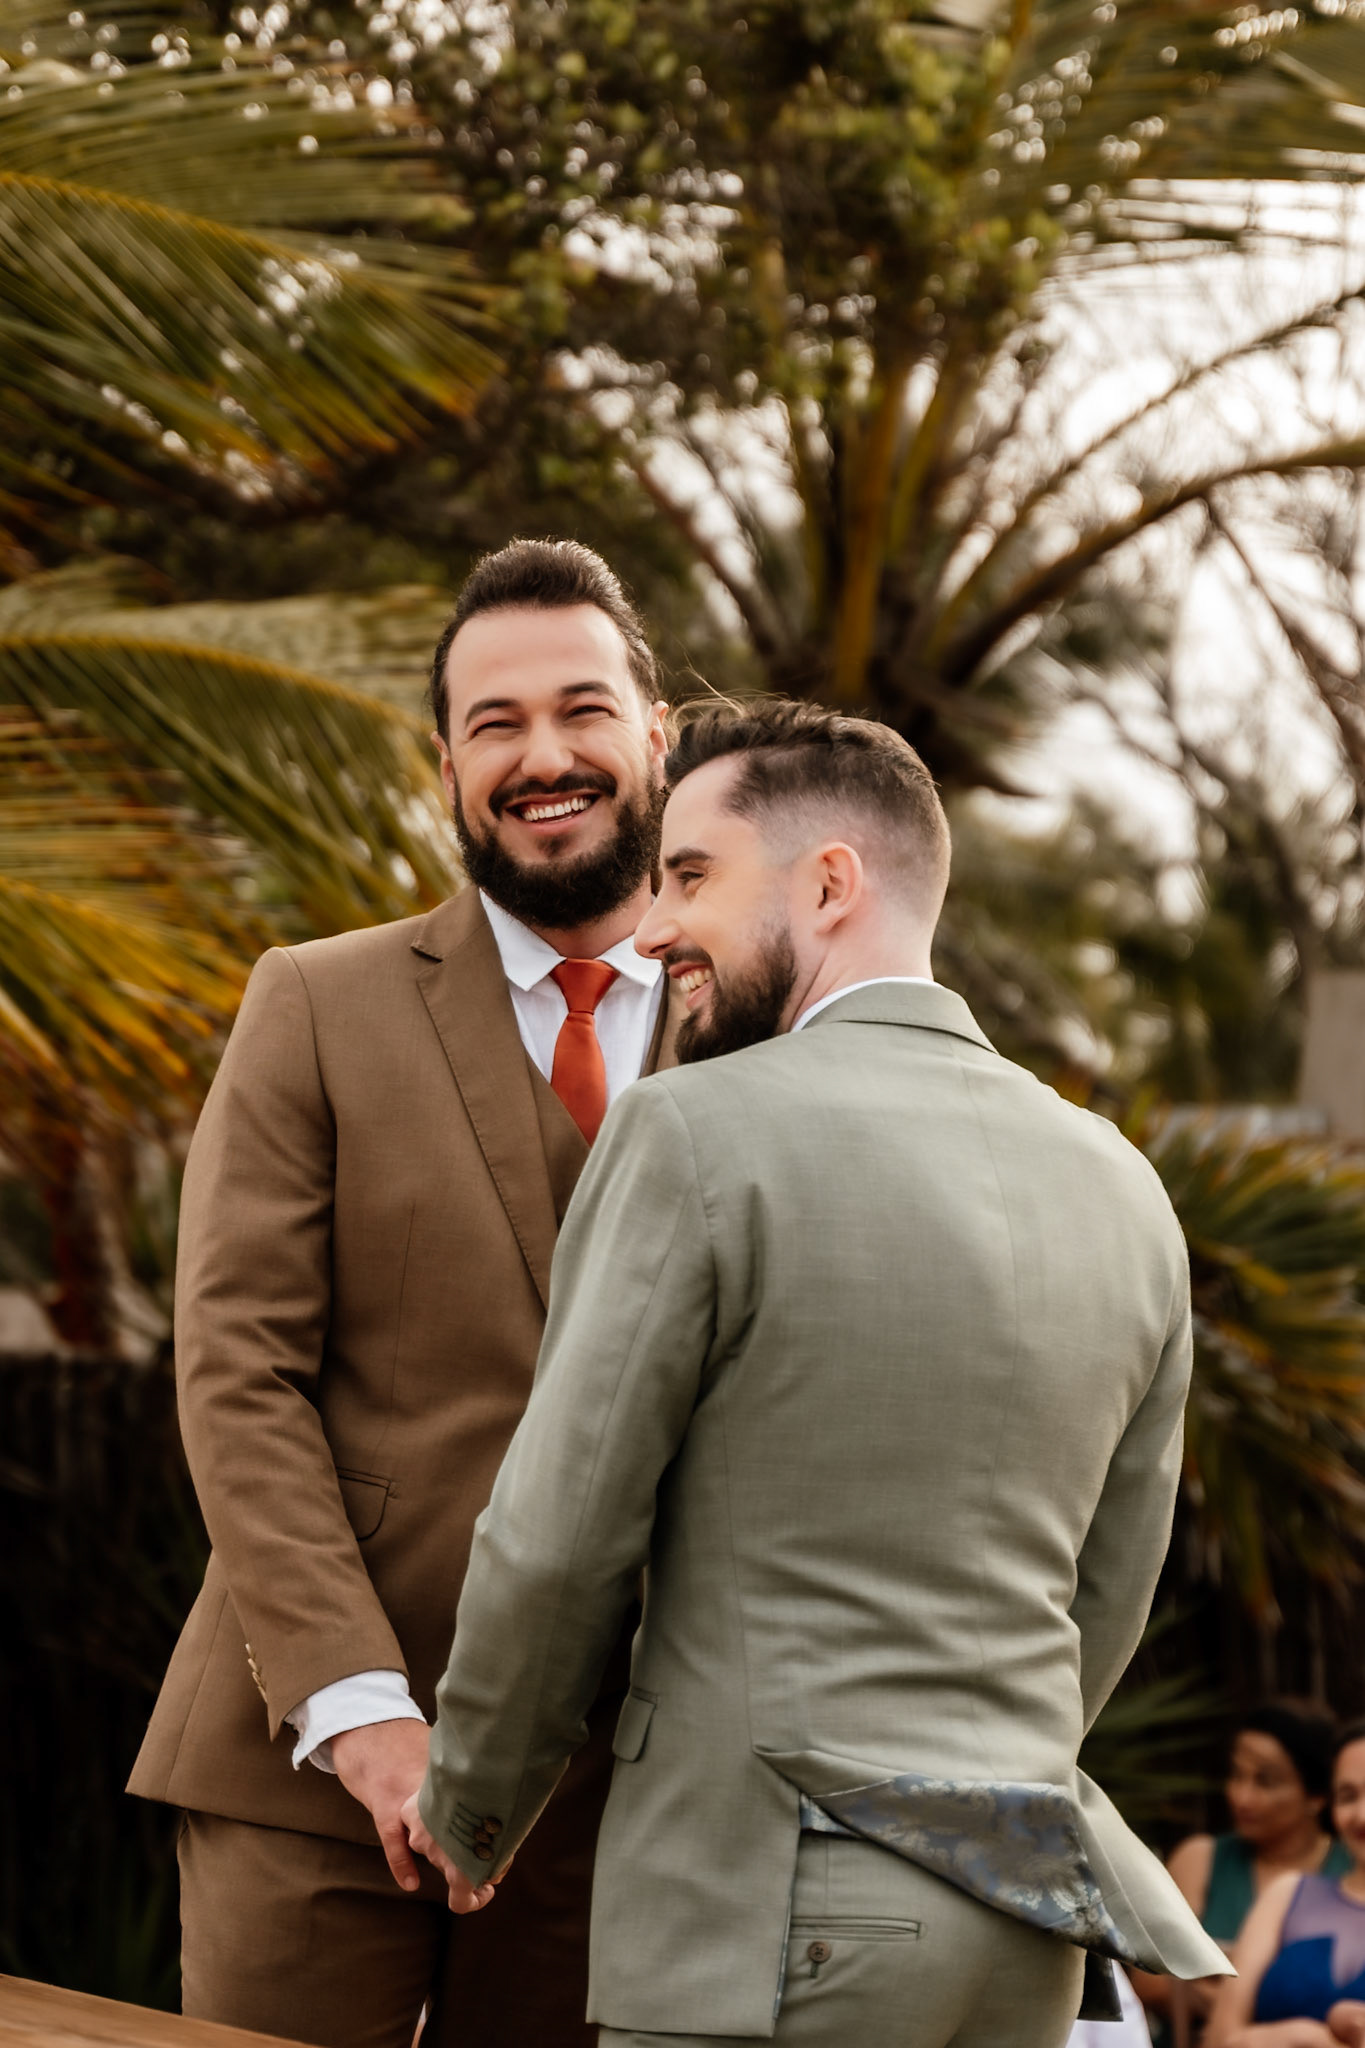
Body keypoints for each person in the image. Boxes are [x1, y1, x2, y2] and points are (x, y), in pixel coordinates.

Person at [404, 699, 1230, 2047]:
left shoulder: (688, 1131)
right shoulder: (1124, 1187)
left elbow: (557, 1543)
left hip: (772, 1917)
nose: (652, 924)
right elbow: (1109, 1586)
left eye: (689, 876)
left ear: (831, 881)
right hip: (1020, 1926)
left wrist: (471, 1807)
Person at [127, 538, 682, 2048]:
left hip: (614, 1793)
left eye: (581, 710)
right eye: (494, 725)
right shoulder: (314, 1000)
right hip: (310, 1773)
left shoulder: (759, 1035)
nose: (542, 756)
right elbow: (235, 1368)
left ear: (658, 736)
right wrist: (358, 1707)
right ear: (446, 763)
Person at [1135, 1702, 1351, 2036]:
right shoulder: (1201, 1858)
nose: (1241, 1796)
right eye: (1237, 1775)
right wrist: (1215, 2002)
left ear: (1317, 1796)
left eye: (1265, 1782)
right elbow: (1146, 1978)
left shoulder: (1351, 1870)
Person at [1204, 1720, 1365, 2048]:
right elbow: (1219, 2038)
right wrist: (1297, 2037)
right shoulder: (1288, 1893)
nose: (1362, 1815)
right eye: (1348, 1796)